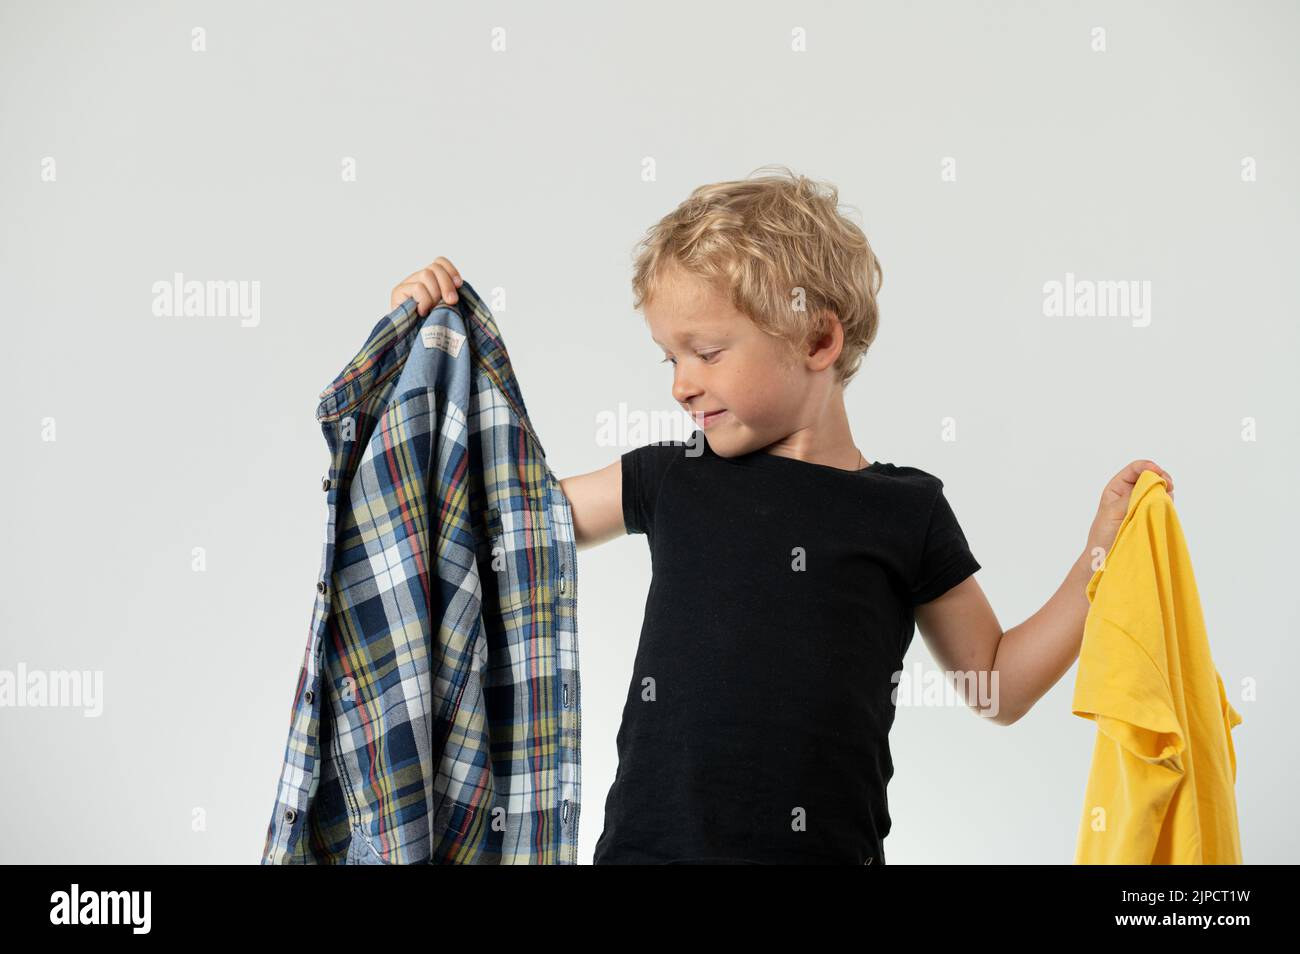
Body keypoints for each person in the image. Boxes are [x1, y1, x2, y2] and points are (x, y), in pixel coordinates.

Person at [384, 166, 1174, 865]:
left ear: (819, 337)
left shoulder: (908, 511)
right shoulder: (671, 476)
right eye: (671, 357)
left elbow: (996, 684)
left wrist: (1098, 557)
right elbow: (508, 523)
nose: (681, 384)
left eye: (707, 351)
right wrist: (420, 356)